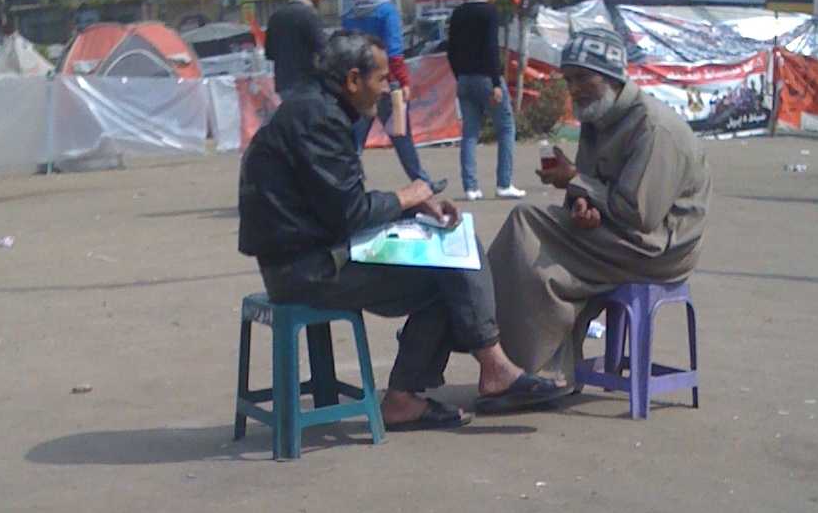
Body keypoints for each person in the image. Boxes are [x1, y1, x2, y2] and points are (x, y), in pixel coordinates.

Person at [238, 30, 570, 430]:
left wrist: (410, 206)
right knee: (447, 272)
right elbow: (349, 213)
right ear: (353, 80)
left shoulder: (315, 109)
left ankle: (474, 372)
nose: (386, 90)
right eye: (381, 79)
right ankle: (477, 373)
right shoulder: (319, 118)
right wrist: (407, 196)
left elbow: (336, 203)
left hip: (308, 255)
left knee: (450, 248)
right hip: (304, 269)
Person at [486, 26, 712, 395]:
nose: (574, 89)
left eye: (582, 78)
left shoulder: (654, 128)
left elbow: (639, 213)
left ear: (611, 77)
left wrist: (575, 181)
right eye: (569, 80)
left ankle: (528, 365)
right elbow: (593, 188)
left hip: (658, 249)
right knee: (530, 247)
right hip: (620, 234)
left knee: (526, 225)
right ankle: (531, 364)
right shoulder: (598, 118)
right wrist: (581, 203)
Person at [342, 0, 446, 194]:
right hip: (384, 83)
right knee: (401, 135)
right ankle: (422, 182)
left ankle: (345, 181)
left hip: (357, 84)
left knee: (355, 138)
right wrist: (403, 82)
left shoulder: (349, 14)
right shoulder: (387, 12)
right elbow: (394, 53)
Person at [447, 0, 525, 201]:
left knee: (470, 133)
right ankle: (503, 183)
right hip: (486, 78)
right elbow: (491, 49)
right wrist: (496, 83)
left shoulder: (459, 12)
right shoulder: (489, 13)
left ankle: (470, 188)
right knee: (506, 128)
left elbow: (450, 49)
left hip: (464, 79)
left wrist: (459, 75)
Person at [264, 0, 328, 93]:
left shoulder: (275, 16)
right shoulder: (309, 16)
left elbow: (269, 54)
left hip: (283, 86)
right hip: (306, 86)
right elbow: (323, 49)